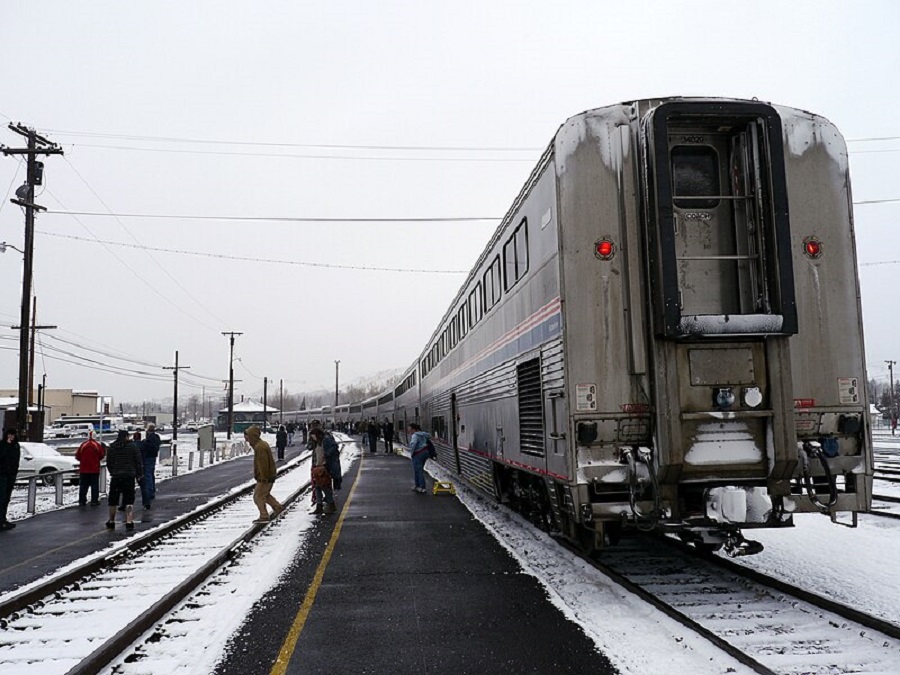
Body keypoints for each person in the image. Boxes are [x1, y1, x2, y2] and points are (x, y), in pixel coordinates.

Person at [244, 425, 283, 523]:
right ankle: (277, 507)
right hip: (268, 475)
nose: (246, 438)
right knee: (265, 495)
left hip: (265, 477)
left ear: (252, 436)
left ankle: (264, 515)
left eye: (247, 436)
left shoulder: (260, 447)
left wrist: (263, 477)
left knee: (258, 496)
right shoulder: (261, 444)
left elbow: (263, 464)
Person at [106, 429, 143, 531]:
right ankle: (129, 521)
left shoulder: (112, 447)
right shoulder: (132, 447)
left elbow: (109, 462)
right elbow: (138, 461)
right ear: (127, 437)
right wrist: (139, 474)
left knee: (113, 500)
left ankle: (111, 521)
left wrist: (113, 472)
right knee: (129, 499)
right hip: (129, 476)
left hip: (116, 476)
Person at [308, 428, 336, 515]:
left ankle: (331, 504)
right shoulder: (316, 444)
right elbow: (309, 448)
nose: (313, 438)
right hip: (317, 468)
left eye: (313, 436)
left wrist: (323, 464)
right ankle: (319, 506)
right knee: (317, 488)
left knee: (324, 487)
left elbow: (325, 454)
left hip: (322, 468)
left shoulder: (323, 443)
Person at [75, 431, 105, 506]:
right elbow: (101, 455)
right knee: (94, 485)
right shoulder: (97, 445)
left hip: (84, 469)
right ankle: (94, 500)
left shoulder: (83, 445)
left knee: (83, 485)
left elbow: (78, 456)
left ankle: (82, 500)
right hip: (94, 469)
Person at [0, 429, 21, 530]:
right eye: (9, 435)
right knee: (2, 497)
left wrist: (15, 471)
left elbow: (16, 459)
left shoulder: (16, 446)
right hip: (2, 474)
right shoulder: (2, 445)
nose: (11, 437)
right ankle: (1, 520)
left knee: (7, 498)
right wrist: (7, 446)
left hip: (11, 475)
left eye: (12, 435)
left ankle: (3, 519)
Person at [141, 423, 161, 509]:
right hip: (153, 457)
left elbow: (145, 446)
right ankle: (152, 490)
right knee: (151, 473)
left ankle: (149, 492)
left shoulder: (148, 439)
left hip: (148, 457)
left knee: (147, 474)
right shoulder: (157, 437)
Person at [407, 422, 431, 494]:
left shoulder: (415, 435)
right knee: (419, 469)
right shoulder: (423, 434)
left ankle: (422, 487)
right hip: (425, 452)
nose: (409, 431)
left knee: (418, 470)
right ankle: (417, 485)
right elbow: (429, 437)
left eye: (410, 429)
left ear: (414, 429)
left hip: (418, 453)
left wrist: (411, 452)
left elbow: (413, 444)